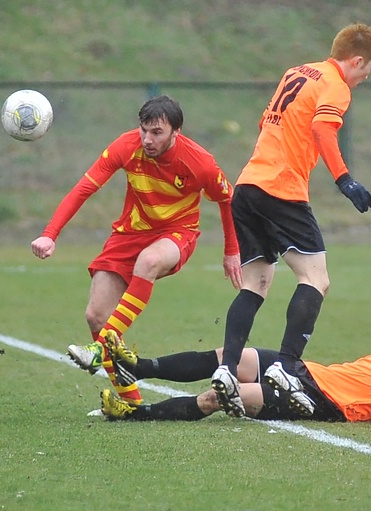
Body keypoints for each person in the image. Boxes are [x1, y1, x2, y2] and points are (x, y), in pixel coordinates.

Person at [210, 23, 371, 419]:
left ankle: (227, 370)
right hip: (281, 190)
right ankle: (286, 366)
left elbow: (265, 124)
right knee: (317, 279)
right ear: (357, 61)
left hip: (249, 185)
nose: (365, 79)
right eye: (369, 70)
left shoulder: (297, 71)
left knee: (256, 284)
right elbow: (323, 128)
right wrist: (345, 180)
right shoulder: (336, 85)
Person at [30, 95, 242, 405]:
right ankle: (132, 402)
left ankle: (100, 349)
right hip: (128, 234)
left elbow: (227, 200)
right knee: (96, 316)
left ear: (176, 132)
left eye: (157, 132)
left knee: (150, 260)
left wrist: (231, 251)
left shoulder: (200, 163)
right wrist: (50, 234)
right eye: (144, 130)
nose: (147, 139)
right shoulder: (126, 146)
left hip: (176, 233)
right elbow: (84, 188)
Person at [98, 300, 371, 425]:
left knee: (221, 395)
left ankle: (135, 414)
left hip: (324, 402)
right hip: (306, 372)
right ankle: (141, 367)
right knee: (230, 358)